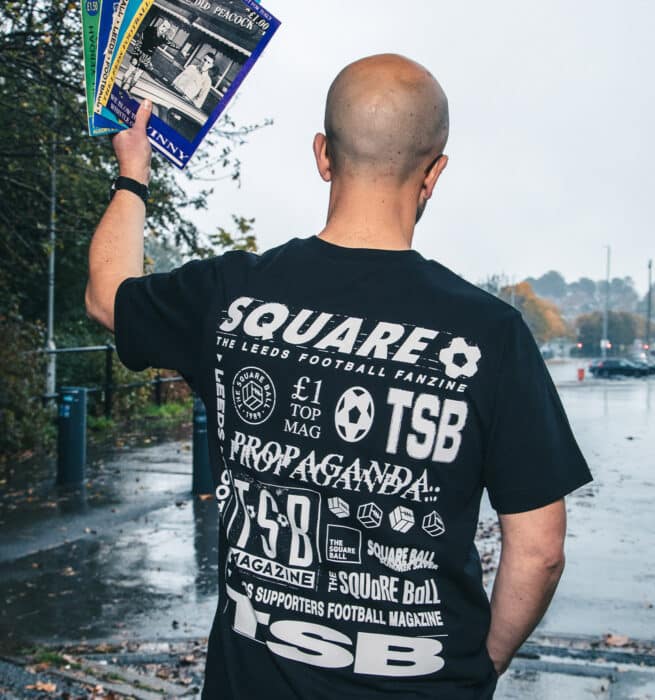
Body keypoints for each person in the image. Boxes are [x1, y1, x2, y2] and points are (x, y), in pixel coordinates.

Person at [86, 54, 593, 699]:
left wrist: (134, 169)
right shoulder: (492, 334)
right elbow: (541, 549)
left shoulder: (229, 296)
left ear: (323, 155)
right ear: (433, 174)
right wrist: (479, 663)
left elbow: (108, 295)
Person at [122, 18, 173, 93]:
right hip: (139, 53)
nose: (164, 29)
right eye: (164, 26)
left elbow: (171, 44)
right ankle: (121, 87)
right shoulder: (149, 30)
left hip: (147, 58)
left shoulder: (162, 38)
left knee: (138, 75)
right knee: (131, 70)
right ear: (160, 24)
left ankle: (129, 90)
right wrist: (135, 56)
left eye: (167, 29)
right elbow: (139, 42)